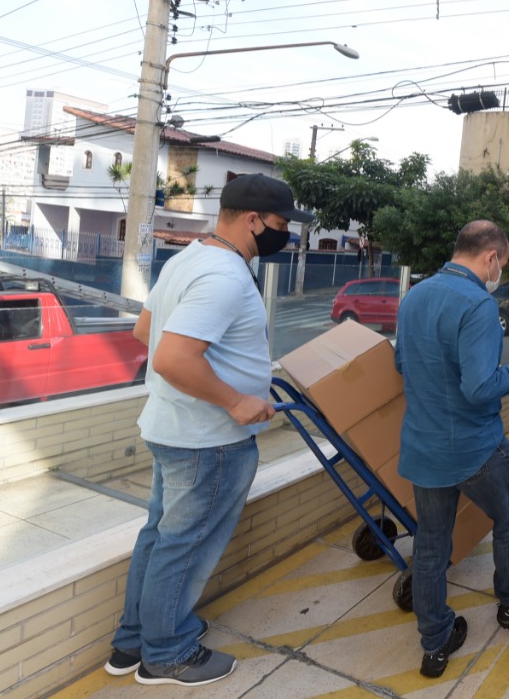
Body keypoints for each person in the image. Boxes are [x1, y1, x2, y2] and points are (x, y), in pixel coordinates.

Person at [106, 173, 311, 687]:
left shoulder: (188, 259)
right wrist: (236, 400)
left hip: (174, 427)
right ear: (253, 220)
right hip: (207, 441)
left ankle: (133, 641)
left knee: (161, 537)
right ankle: (167, 653)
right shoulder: (225, 275)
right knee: (185, 546)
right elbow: (173, 357)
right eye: (282, 223)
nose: (286, 234)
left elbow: (145, 331)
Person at [394, 220, 509, 678]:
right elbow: (479, 387)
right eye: (501, 264)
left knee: (431, 545)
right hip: (473, 449)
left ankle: (436, 642)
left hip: (423, 446)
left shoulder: (414, 297)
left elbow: (402, 363)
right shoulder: (478, 305)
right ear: (490, 258)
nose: (499, 274)